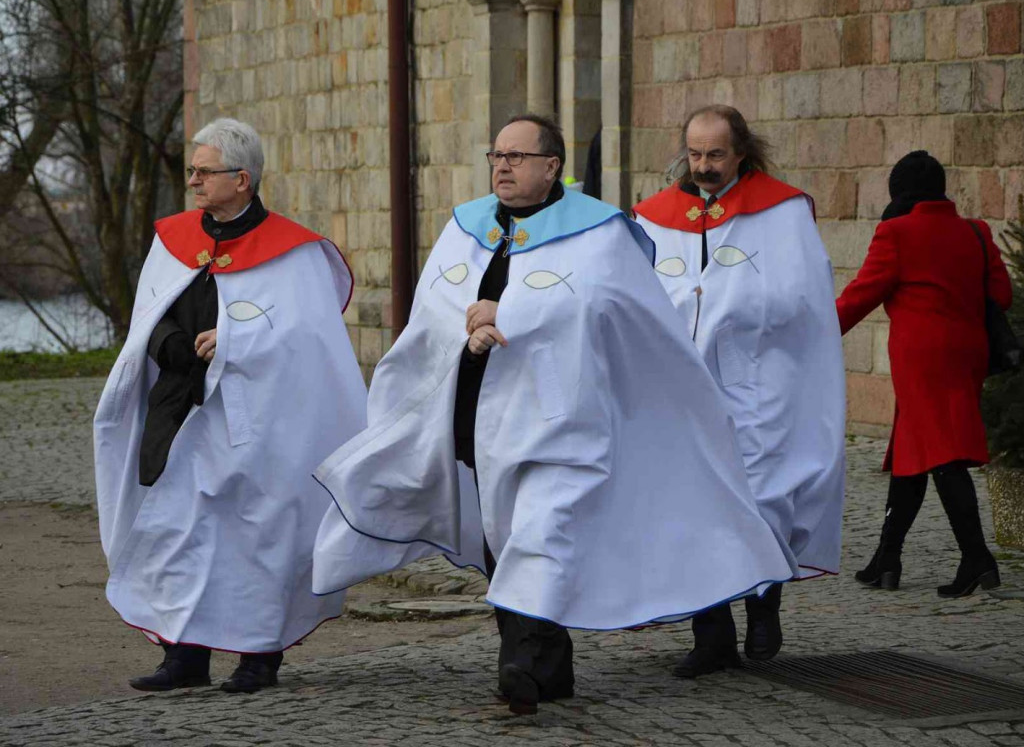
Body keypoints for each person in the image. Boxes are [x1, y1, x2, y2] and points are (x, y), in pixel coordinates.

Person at [312, 114, 794, 714]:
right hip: (475, 414)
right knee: (502, 538)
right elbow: (433, 308)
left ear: (552, 167)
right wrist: (467, 329)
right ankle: (549, 666)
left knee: (542, 533)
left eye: (517, 157)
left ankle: (521, 664)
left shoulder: (598, 234)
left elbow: (609, 313)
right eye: (497, 156)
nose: (503, 167)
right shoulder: (466, 228)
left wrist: (508, 314)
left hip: (561, 417)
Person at [94, 118, 367, 694]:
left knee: (255, 535)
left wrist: (238, 341)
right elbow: (149, 313)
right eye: (191, 171)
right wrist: (172, 345)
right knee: (176, 529)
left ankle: (258, 657)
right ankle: (183, 655)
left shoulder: (293, 251)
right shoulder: (173, 238)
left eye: (204, 171)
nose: (193, 181)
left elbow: (309, 335)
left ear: (242, 179)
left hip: (257, 416)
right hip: (177, 403)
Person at [634, 105, 846, 678]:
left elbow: (801, 295)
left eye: (715, 155)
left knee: (762, 495)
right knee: (690, 500)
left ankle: (763, 605)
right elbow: (639, 291)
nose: (703, 166)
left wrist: (728, 305)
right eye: (694, 154)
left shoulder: (781, 211)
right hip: (683, 385)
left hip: (756, 379)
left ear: (742, 152)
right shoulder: (655, 217)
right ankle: (712, 635)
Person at [836, 150, 1011, 597]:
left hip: (922, 358)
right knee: (914, 451)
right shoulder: (976, 231)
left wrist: (812, 334)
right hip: (968, 352)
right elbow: (1001, 295)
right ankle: (887, 558)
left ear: (898, 191)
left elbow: (860, 296)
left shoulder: (896, 233)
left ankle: (977, 558)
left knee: (942, 453)